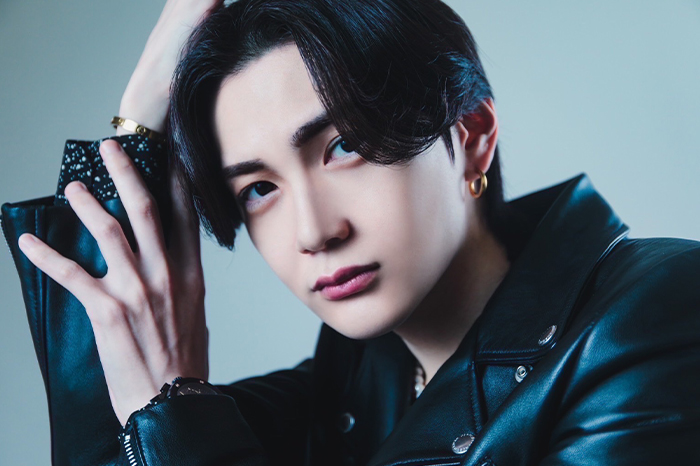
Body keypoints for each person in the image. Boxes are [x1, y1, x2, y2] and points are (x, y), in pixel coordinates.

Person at [12, 0, 700, 465]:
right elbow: (109, 432)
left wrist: (177, 417)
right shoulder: (350, 390)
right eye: (259, 189)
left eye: (344, 147)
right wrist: (140, 116)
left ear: (471, 134)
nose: (314, 231)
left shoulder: (653, 315)